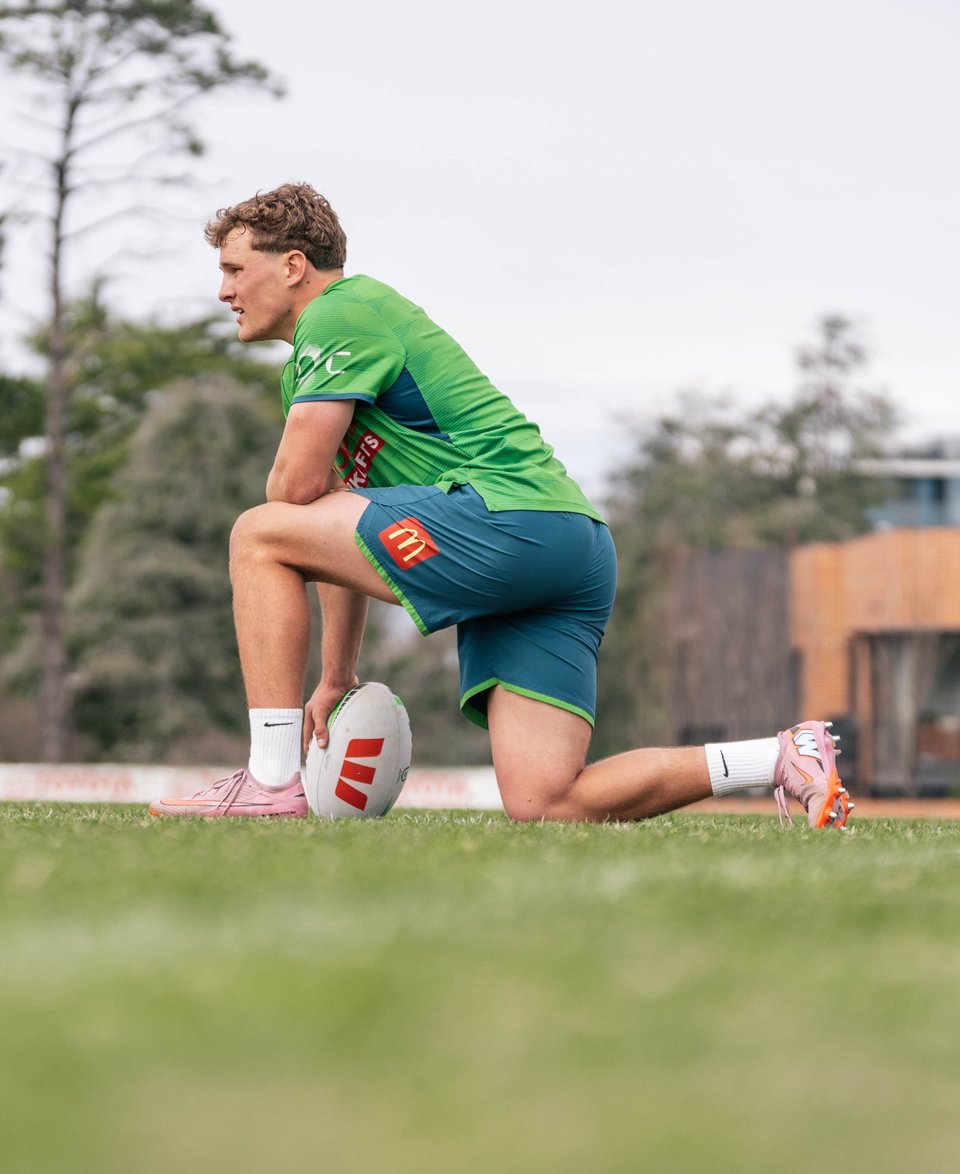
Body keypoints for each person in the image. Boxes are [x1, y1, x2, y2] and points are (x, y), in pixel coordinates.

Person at [149, 183, 851, 827]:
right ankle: (782, 756)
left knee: (256, 533)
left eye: (235, 270)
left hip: (509, 522)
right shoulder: (335, 343)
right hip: (568, 546)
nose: (223, 291)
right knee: (548, 802)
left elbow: (291, 501)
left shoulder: (339, 314)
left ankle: (271, 782)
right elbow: (328, 530)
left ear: (294, 266)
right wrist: (337, 675)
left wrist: (301, 515)